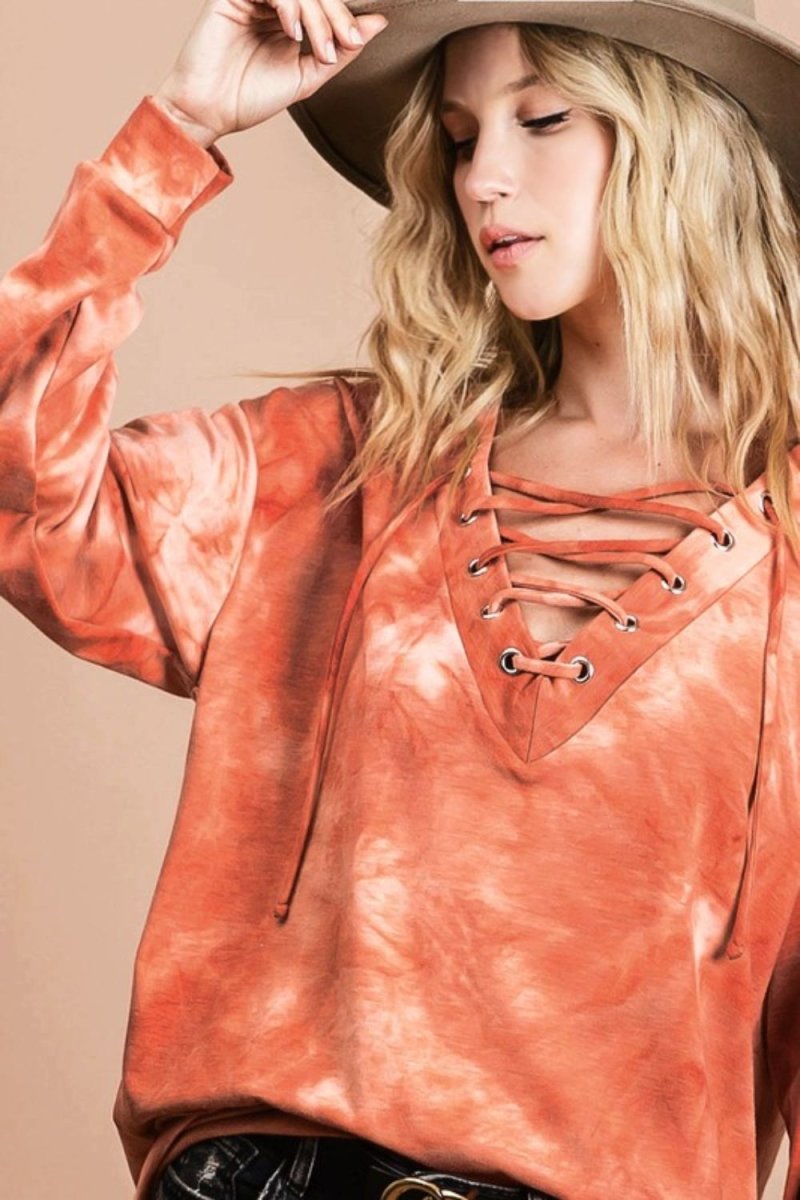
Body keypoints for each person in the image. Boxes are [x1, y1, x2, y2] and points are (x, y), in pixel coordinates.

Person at [1, 1, 799, 1198]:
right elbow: (25, 490)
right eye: (460, 136)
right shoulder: (336, 471)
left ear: (680, 135)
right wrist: (181, 125)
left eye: (541, 119)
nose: (483, 177)